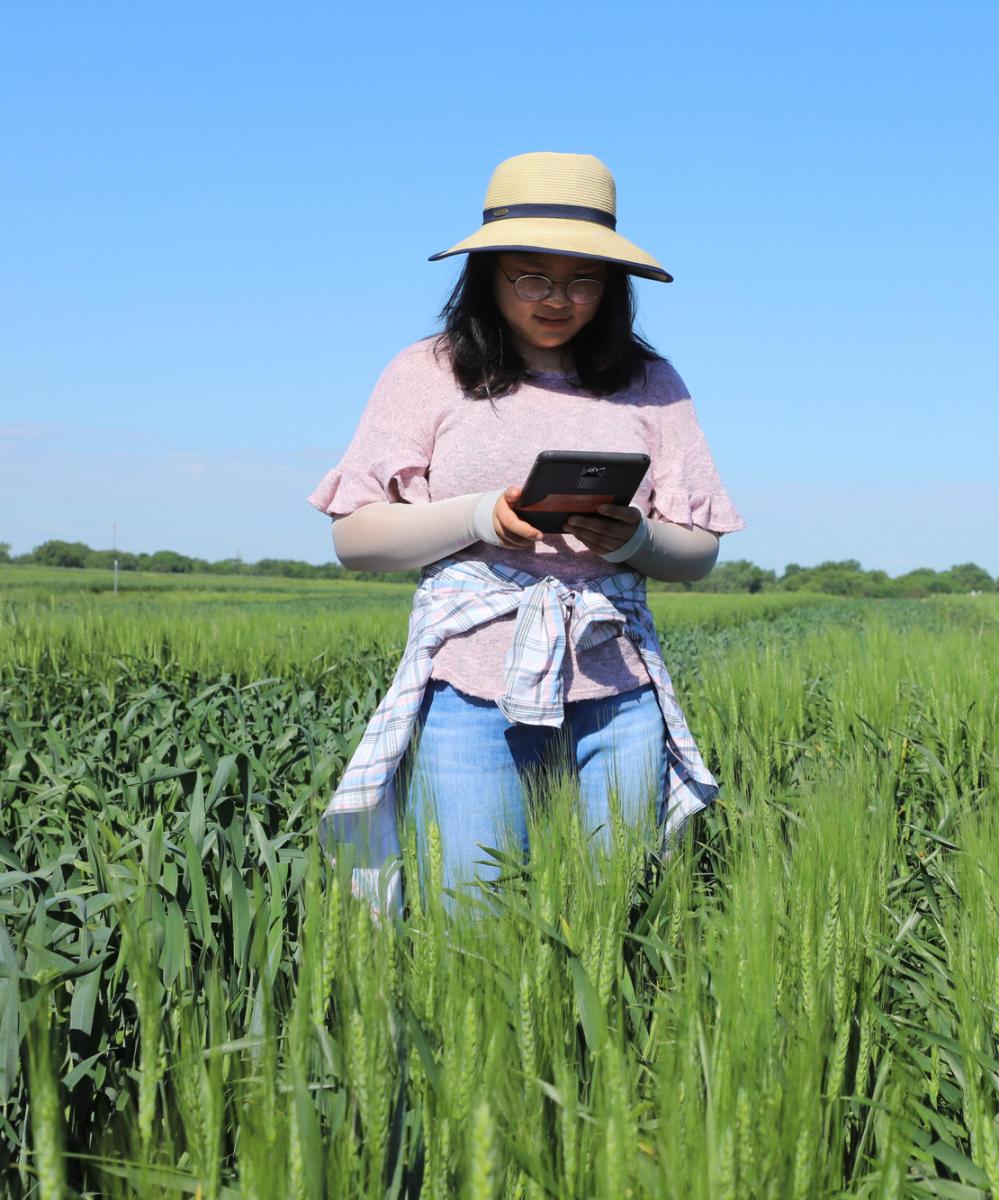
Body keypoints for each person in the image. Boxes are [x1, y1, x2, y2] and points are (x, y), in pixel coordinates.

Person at [306, 151, 745, 914]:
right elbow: (355, 538)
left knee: (618, 917)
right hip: (470, 688)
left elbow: (699, 553)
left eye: (583, 279)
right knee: (472, 915)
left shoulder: (652, 383)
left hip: (618, 689)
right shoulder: (427, 372)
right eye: (531, 277)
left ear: (612, 288)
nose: (557, 299)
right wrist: (480, 516)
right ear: (487, 274)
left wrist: (633, 539)